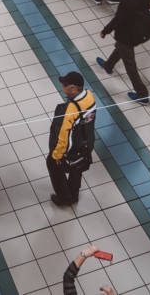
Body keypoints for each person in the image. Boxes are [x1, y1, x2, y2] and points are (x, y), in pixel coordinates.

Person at [96, 0, 150, 103]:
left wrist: (105, 31)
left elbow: (118, 19)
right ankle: (109, 65)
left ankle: (142, 94)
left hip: (128, 34)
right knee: (121, 48)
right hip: (142, 30)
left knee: (129, 64)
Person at [47, 70, 97, 207]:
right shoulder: (89, 97)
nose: (62, 87)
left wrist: (58, 155)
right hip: (87, 143)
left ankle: (64, 198)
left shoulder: (71, 110)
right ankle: (74, 195)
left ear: (73, 89)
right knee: (77, 168)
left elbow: (65, 137)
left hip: (74, 146)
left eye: (65, 85)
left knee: (52, 163)